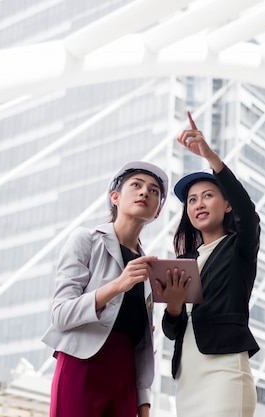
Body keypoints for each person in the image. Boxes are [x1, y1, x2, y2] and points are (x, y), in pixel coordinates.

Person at [153, 112, 260, 417]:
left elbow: (248, 212)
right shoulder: (186, 263)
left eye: (208, 195)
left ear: (227, 205)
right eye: (192, 200)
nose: (198, 204)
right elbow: (173, 329)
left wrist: (210, 156)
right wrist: (173, 307)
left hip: (224, 372)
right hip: (188, 376)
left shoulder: (239, 247)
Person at [41, 161, 169, 417]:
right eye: (136, 185)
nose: (145, 192)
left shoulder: (149, 268)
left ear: (157, 213)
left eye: (154, 191)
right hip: (82, 365)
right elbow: (60, 315)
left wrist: (143, 404)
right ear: (115, 197)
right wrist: (118, 286)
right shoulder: (85, 240)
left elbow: (143, 344)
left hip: (126, 377)